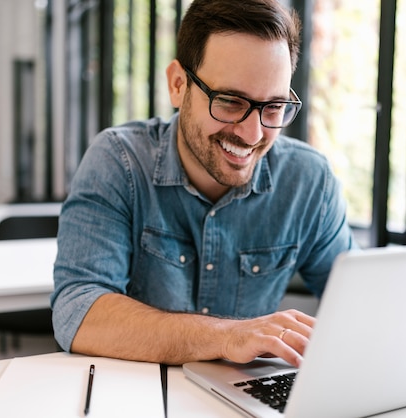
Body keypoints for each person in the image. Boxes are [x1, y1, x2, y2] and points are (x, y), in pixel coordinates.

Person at [51, 0, 357, 368]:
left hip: (240, 399)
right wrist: (226, 336)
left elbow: (360, 306)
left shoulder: (309, 181)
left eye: (273, 107)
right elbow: (77, 312)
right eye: (229, 101)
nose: (253, 133)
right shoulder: (119, 161)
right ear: (178, 85)